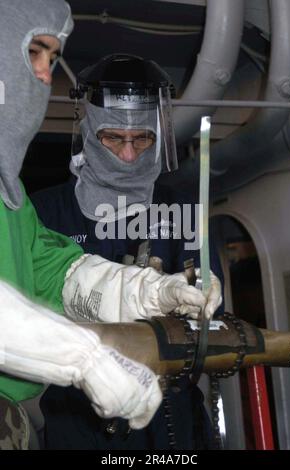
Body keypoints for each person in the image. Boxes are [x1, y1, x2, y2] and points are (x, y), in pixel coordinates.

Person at [0, 1, 222, 450]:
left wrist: (151, 290)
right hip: (77, 418)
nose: (44, 75)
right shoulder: (47, 205)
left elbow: (59, 273)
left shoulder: (14, 202)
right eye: (35, 53)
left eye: (51, 57)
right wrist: (82, 358)